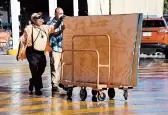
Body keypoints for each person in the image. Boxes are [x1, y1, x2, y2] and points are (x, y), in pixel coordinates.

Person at [17, 12, 64, 95]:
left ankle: (32, 81)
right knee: (34, 70)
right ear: (34, 20)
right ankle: (38, 88)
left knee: (41, 69)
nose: (41, 19)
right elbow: (22, 41)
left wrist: (60, 20)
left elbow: (55, 27)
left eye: (41, 17)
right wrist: (18, 53)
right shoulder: (29, 28)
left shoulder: (45, 27)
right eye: (39, 18)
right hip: (31, 53)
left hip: (41, 53)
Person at [47, 7, 65, 92]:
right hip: (55, 48)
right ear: (55, 14)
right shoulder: (50, 23)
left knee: (64, 67)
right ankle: (54, 85)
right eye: (59, 13)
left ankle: (62, 82)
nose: (61, 15)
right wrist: (61, 31)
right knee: (55, 67)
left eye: (62, 13)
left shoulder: (65, 22)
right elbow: (53, 34)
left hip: (64, 48)